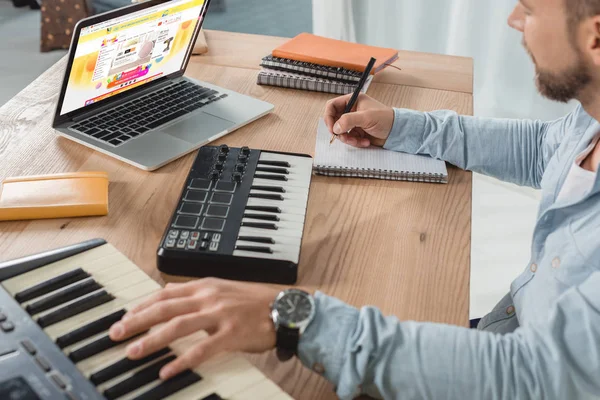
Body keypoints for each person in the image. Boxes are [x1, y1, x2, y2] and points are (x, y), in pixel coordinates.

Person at [108, 0, 600, 398]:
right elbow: (545, 148)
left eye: (531, 8)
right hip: (502, 331)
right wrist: (407, 126)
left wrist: (298, 317)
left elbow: (532, 377)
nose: (513, 18)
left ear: (595, 37)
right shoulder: (591, 118)